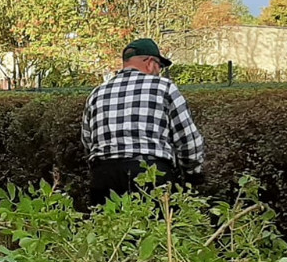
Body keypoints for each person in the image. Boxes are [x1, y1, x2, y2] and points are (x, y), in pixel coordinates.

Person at [81, 38, 204, 204]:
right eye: (159, 65)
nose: (159, 70)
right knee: (155, 228)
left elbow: (87, 141)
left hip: (105, 176)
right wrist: (193, 174)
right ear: (150, 62)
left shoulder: (97, 93)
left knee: (110, 228)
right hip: (151, 174)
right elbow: (187, 140)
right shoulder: (164, 87)